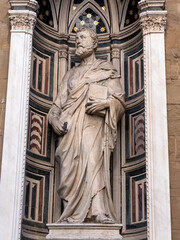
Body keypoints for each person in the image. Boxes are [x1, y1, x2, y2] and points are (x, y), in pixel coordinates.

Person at [48, 27, 125, 224]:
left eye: (83, 38)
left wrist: (106, 104)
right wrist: (54, 121)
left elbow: (119, 100)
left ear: (94, 43)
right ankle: (71, 214)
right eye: (76, 39)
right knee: (69, 167)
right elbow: (56, 107)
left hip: (94, 125)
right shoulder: (70, 75)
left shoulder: (106, 70)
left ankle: (99, 211)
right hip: (70, 128)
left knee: (93, 163)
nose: (78, 42)